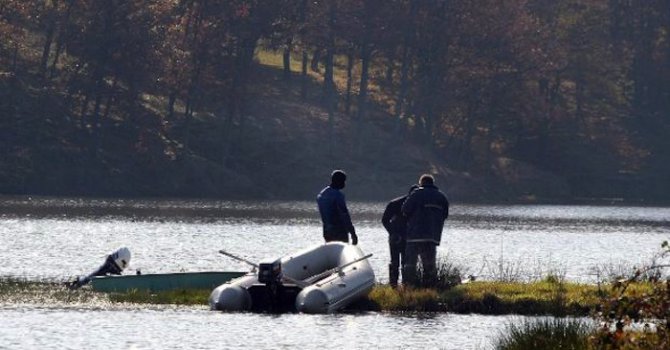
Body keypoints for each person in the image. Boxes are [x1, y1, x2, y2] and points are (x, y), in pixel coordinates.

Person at [401, 174, 449, 287]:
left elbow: (404, 209)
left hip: (414, 236)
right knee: (430, 264)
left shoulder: (416, 194)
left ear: (421, 183)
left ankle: (409, 287)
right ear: (432, 183)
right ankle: (430, 287)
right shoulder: (442, 197)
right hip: (432, 237)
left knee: (410, 264)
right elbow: (445, 215)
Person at [381, 185, 418, 287]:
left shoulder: (395, 203)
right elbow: (384, 220)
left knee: (399, 262)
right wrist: (393, 233)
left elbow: (385, 220)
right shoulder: (396, 203)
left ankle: (396, 285)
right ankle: (400, 284)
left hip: (400, 237)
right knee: (401, 262)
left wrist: (392, 232)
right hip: (400, 237)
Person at [317, 170, 358, 245]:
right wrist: (353, 233)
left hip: (326, 231)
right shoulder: (338, 195)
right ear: (339, 181)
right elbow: (345, 215)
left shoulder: (321, 195)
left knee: (331, 251)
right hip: (339, 232)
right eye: (343, 181)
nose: (344, 183)